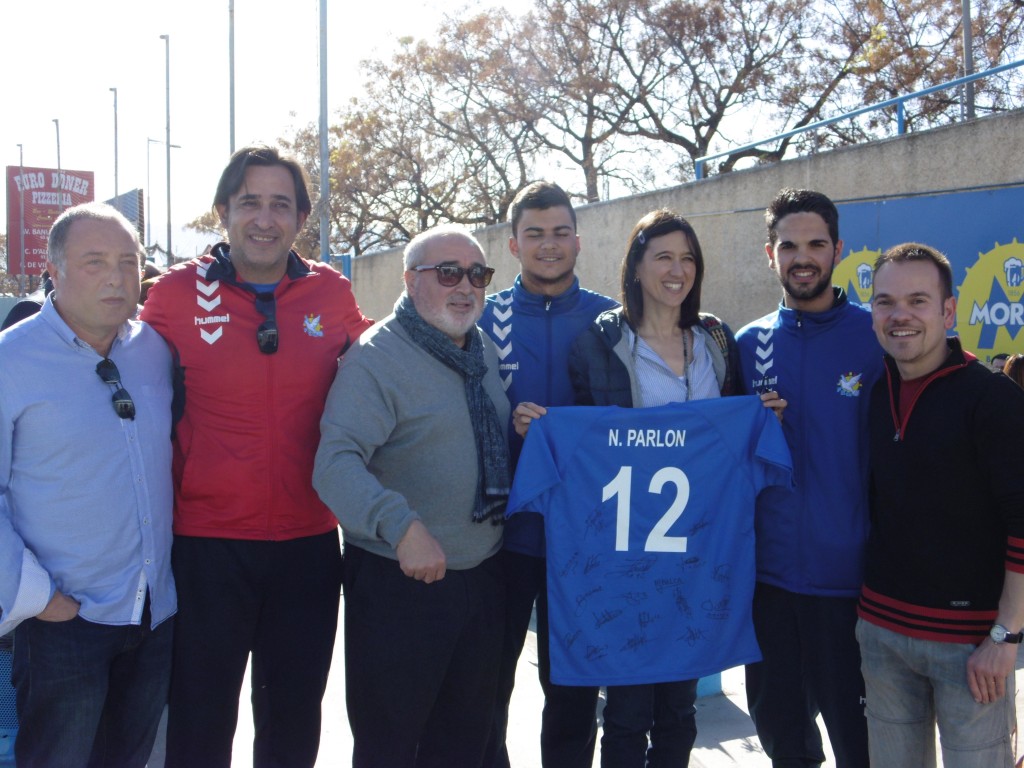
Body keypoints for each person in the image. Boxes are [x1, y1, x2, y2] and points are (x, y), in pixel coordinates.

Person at [517, 209, 784, 767]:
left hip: (697, 555)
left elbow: (723, 436)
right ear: (636, 266)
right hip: (626, 559)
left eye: (688, 258)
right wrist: (545, 431)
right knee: (626, 710)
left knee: (680, 711)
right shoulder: (602, 339)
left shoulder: (715, 337)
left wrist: (756, 421)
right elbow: (593, 441)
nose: (677, 269)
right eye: (663, 256)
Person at [140, 145, 372, 767]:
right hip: (205, 546)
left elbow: (385, 376)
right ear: (223, 212)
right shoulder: (172, 296)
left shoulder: (331, 293)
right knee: (199, 719)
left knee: (294, 720)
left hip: (309, 545)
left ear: (301, 219)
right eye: (249, 203)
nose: (264, 219)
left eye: (281, 204)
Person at [313, 225, 510, 768]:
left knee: (466, 745)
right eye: (447, 272)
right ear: (410, 280)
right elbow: (334, 463)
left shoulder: (481, 352)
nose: (465, 286)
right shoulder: (376, 358)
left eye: (478, 274)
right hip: (401, 586)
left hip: (481, 577)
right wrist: (401, 526)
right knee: (391, 748)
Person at [0, 202, 175, 767]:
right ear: (54, 271)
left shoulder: (153, 351)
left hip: (151, 615)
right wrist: (40, 600)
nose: (116, 276)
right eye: (94, 261)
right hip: (63, 624)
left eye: (129, 261)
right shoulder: (11, 361)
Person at [857, 243, 1024, 768]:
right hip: (882, 633)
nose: (899, 314)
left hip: (971, 647)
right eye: (885, 302)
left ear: (948, 311)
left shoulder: (992, 398)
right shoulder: (874, 390)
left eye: (917, 300)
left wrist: (1007, 634)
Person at [735, 188, 881, 768]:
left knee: (860, 744)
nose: (803, 256)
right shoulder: (745, 345)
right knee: (784, 742)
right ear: (770, 254)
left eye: (816, 244)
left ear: (838, 250)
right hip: (767, 585)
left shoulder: (875, 338)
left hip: (853, 586)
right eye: (788, 244)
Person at [479, 180, 617, 768]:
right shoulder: (484, 316)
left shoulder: (612, 320)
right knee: (487, 685)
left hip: (584, 540)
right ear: (512, 245)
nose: (549, 245)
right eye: (534, 234)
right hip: (500, 538)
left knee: (572, 692)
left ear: (578, 241)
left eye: (560, 232)